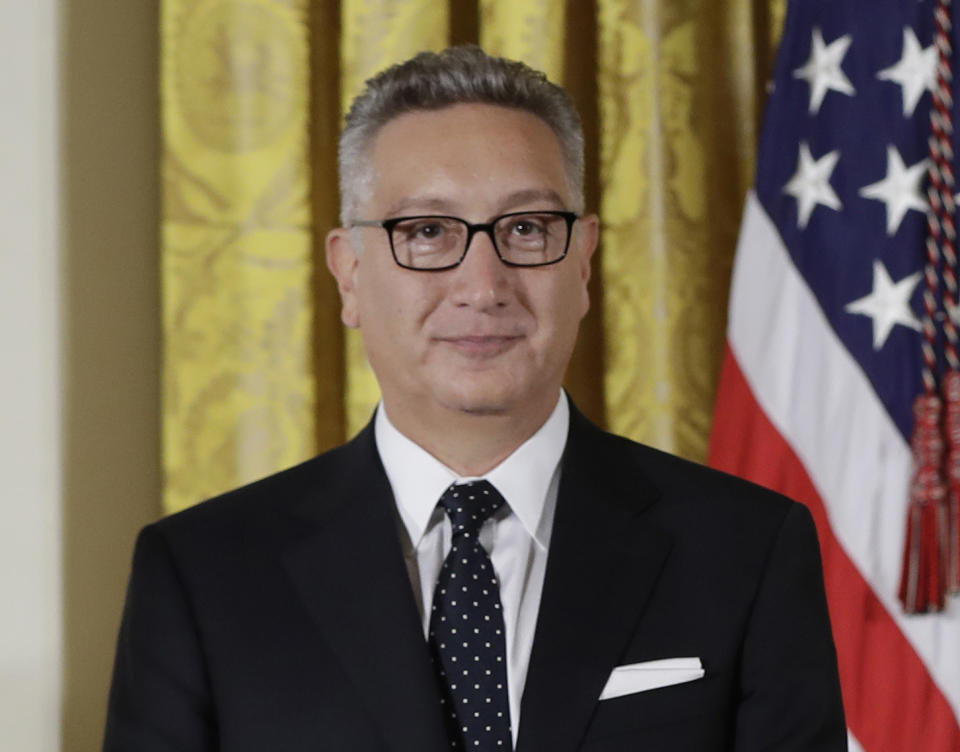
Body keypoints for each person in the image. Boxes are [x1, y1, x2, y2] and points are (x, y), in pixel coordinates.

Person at [104, 46, 846, 751]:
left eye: (526, 228)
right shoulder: (202, 575)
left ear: (584, 261)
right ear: (350, 273)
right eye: (427, 231)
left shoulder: (746, 550)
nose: (483, 286)